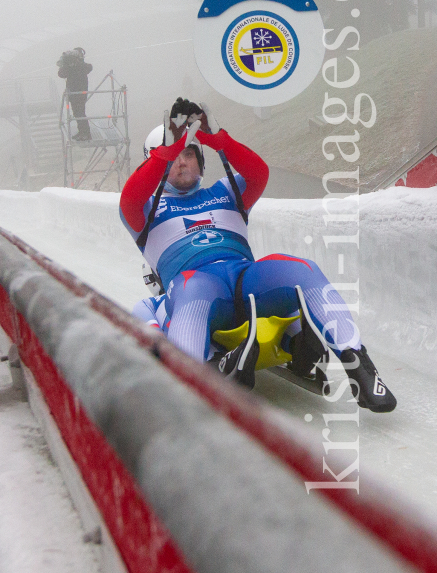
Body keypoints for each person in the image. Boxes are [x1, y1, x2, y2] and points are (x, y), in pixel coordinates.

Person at [120, 98, 396, 413]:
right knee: (190, 284)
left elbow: (257, 172)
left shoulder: (226, 192)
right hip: (199, 292)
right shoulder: (143, 211)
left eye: (189, 154)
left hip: (246, 281)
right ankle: (193, 386)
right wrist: (167, 150)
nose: (182, 162)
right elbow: (132, 193)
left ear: (201, 161)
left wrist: (216, 137)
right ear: (156, 163)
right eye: (173, 157)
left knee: (299, 268)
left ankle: (358, 365)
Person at [57, 47, 93, 141]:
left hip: (80, 93)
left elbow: (89, 67)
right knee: (77, 113)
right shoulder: (72, 67)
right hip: (73, 93)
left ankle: (86, 134)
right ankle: (81, 132)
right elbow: (61, 74)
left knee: (80, 113)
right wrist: (68, 65)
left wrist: (75, 64)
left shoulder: (81, 66)